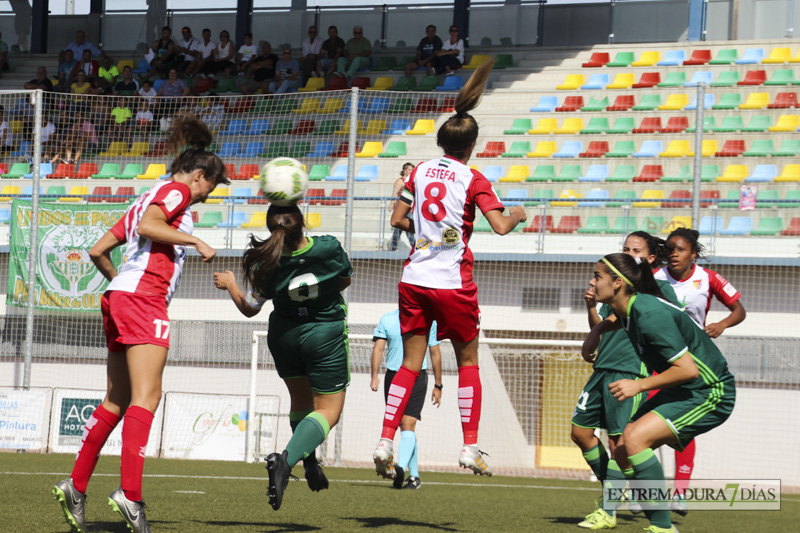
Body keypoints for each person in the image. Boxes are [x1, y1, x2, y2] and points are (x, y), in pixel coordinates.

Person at [52, 116, 229, 533]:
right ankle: (130, 496)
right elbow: (153, 227)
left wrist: (122, 290)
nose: (205, 197)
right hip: (144, 297)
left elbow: (98, 251)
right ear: (200, 175)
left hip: (121, 297)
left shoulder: (143, 197)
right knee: (146, 398)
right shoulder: (177, 191)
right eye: (210, 188)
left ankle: (76, 487)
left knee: (117, 400)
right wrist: (195, 240)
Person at [371, 59, 526, 477]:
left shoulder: (419, 171)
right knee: (469, 362)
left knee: (408, 364)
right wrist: (519, 215)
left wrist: (426, 231)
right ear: (471, 146)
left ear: (441, 141)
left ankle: (385, 440)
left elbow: (397, 219)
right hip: (453, 281)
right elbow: (499, 225)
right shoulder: (474, 178)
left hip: (414, 277)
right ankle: (469, 448)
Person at [582, 252, 736, 533]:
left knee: (634, 438)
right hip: (684, 389)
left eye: (597, 276)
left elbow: (688, 370)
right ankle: (617, 509)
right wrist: (598, 330)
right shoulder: (632, 308)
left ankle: (662, 526)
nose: (592, 281)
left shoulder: (649, 313)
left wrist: (637, 385)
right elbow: (619, 320)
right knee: (624, 449)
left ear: (617, 283)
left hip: (710, 391)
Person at [213, 204, 353, 511]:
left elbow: (250, 308)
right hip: (323, 334)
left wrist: (231, 284)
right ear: (302, 222)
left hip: (285, 336)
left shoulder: (267, 260)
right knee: (328, 410)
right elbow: (344, 281)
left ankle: (310, 462)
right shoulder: (328, 246)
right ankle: (286, 461)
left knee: (301, 404)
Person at [573, 232, 678, 529]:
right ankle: (617, 493)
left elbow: (664, 328)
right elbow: (602, 327)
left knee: (621, 445)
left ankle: (611, 509)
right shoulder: (614, 286)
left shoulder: (658, 291)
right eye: (625, 249)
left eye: (637, 250)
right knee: (580, 433)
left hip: (630, 373)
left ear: (651, 258)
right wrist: (591, 307)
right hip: (602, 370)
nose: (630, 254)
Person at [651, 227, 746, 515]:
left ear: (693, 253)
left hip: (693, 362)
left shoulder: (708, 278)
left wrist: (722, 324)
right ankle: (644, 490)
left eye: (679, 249)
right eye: (669, 249)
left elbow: (739, 310)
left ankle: (679, 494)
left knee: (682, 425)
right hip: (658, 360)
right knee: (643, 421)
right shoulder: (654, 278)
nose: (673, 254)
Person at [371, 309, 442, 489]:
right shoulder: (387, 319)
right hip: (393, 376)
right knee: (403, 425)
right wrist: (374, 375)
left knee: (408, 423)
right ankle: (414, 477)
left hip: (417, 377)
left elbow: (435, 352)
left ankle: (400, 468)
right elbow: (378, 348)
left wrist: (438, 384)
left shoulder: (429, 321)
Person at [389, 163, 415, 251]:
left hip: (410, 208)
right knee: (404, 228)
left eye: (412, 170)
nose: (411, 171)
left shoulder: (412, 181)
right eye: (409, 170)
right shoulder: (400, 181)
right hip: (401, 208)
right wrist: (391, 204)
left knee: (400, 229)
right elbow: (394, 193)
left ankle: (394, 246)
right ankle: (413, 246)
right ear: (404, 170)